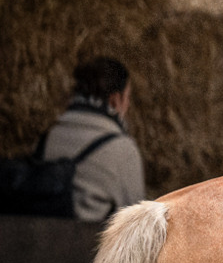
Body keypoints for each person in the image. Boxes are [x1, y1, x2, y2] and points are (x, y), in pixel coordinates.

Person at [41, 56, 145, 221]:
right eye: (127, 97)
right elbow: (137, 224)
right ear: (115, 100)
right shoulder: (123, 150)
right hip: (88, 236)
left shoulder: (50, 136)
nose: (128, 105)